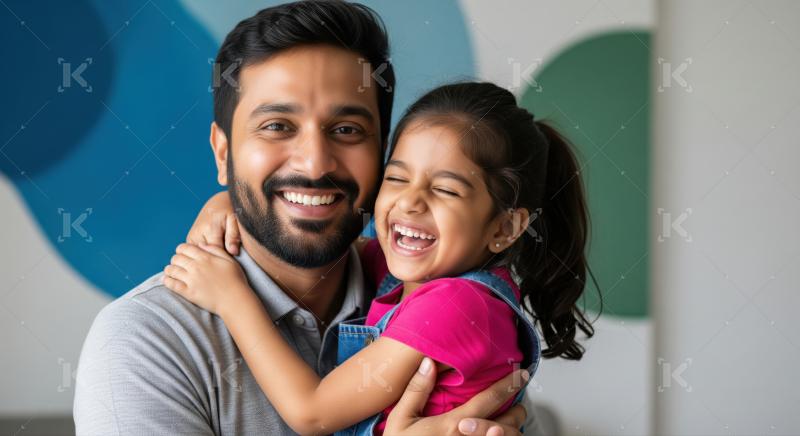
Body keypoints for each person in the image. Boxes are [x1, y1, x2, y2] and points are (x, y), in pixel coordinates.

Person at [74, 2, 534, 435]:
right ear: (224, 153)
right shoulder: (145, 343)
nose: (315, 165)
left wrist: (244, 198)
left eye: (347, 130)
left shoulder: (417, 281)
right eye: (277, 126)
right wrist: (231, 200)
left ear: (382, 155)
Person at [164, 82, 596, 435]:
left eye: (445, 190)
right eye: (397, 178)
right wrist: (233, 205)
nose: (410, 202)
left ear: (504, 228)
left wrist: (232, 298)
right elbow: (312, 237)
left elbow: (311, 413)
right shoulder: (406, 271)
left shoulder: (457, 305)